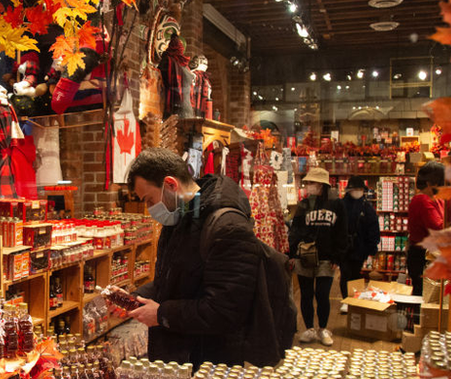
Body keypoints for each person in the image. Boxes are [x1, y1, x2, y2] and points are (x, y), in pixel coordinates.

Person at [120, 148, 284, 367]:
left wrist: (161, 314)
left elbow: (225, 311)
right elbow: (174, 281)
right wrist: (135, 298)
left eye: (149, 200)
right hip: (183, 360)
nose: (150, 209)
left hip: (212, 367)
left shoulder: (226, 227)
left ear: (170, 185)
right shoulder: (180, 218)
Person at [288, 167, 348, 346]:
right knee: (306, 294)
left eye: (311, 183)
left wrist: (338, 257)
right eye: (307, 183)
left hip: (326, 257)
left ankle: (322, 328)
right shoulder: (304, 204)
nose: (308, 186)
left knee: (322, 294)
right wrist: (292, 254)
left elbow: (342, 231)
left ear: (322, 185)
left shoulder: (337, 204)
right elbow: (295, 231)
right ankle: (309, 328)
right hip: (304, 256)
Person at [339, 176, 380, 313]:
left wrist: (372, 246)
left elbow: (373, 228)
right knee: (345, 273)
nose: (357, 191)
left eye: (360, 189)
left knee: (355, 273)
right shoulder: (341, 206)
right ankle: (346, 300)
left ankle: (353, 299)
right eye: (355, 189)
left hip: (359, 247)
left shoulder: (367, 207)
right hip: (344, 246)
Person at [407, 161, 445, 296]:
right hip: (422, 255)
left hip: (430, 253)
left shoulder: (435, 199)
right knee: (423, 295)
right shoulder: (422, 200)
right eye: (441, 182)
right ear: (430, 183)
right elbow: (437, 226)